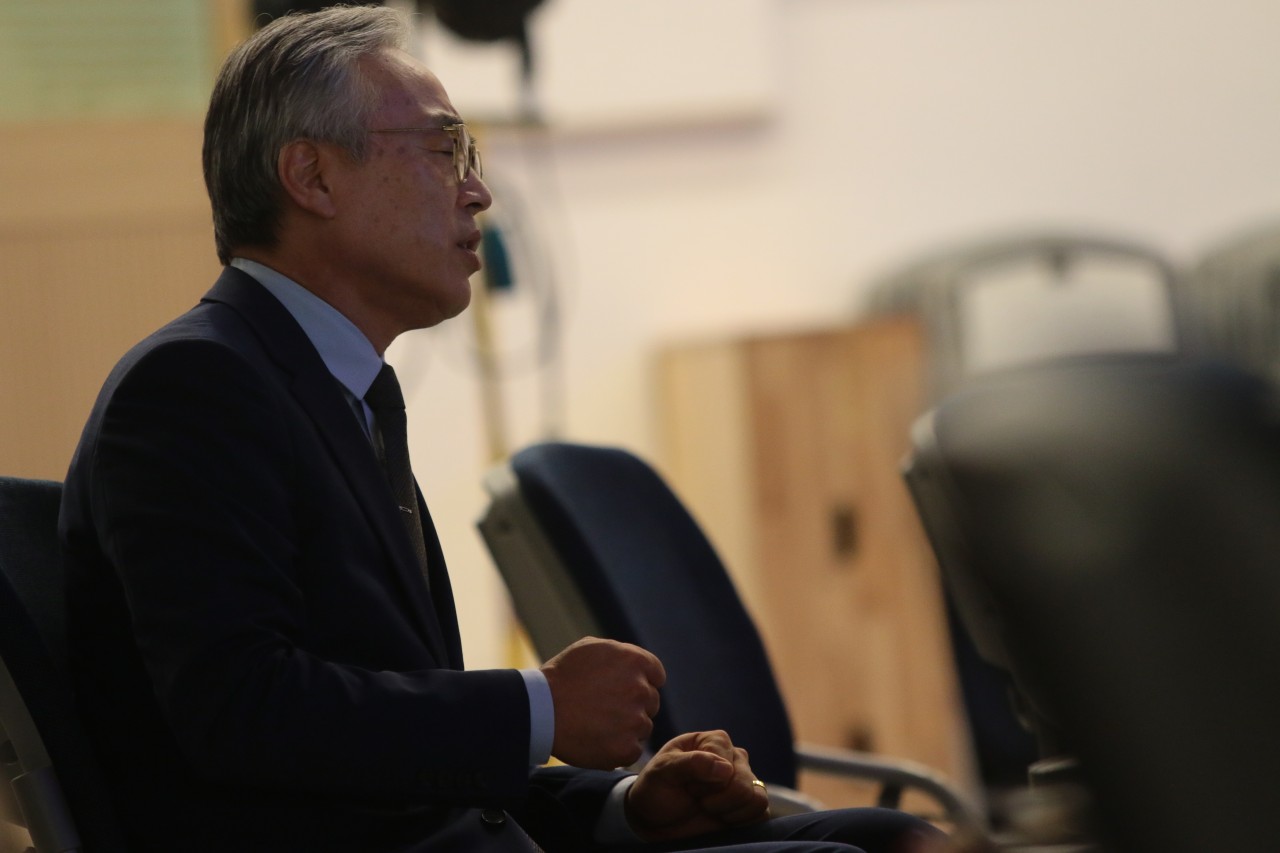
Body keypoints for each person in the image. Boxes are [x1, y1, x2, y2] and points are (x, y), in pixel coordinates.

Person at [58, 6, 950, 852]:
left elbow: (407, 765)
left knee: (886, 835)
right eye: (445, 149)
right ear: (313, 177)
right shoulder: (195, 386)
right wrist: (539, 707)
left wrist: (627, 806)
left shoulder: (336, 392)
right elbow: (244, 712)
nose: (478, 192)